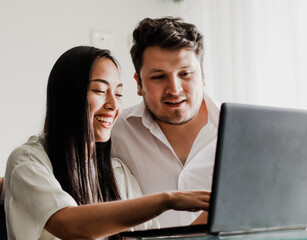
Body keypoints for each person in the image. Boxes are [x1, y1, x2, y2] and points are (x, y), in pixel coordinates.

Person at [4, 46, 210, 240]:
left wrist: (209, 220)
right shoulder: (28, 161)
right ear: (69, 97)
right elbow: (69, 226)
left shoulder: (117, 171)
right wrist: (167, 200)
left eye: (118, 94)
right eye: (100, 91)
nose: (113, 105)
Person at [111, 17, 219, 227]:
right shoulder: (114, 132)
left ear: (203, 76)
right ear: (139, 83)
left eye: (185, 74)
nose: (175, 89)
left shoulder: (240, 133)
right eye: (159, 77)